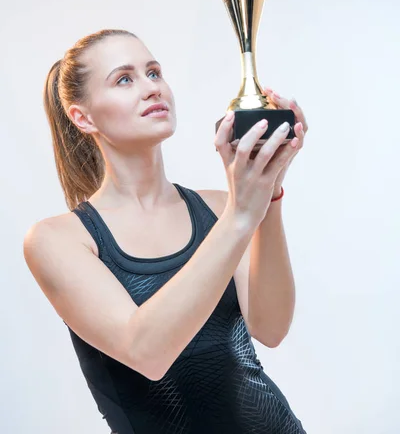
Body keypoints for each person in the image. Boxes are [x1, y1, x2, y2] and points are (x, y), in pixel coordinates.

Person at [23, 28, 307, 433]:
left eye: (154, 73)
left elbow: (271, 327)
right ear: (81, 117)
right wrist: (241, 216)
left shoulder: (219, 207)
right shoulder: (58, 239)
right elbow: (148, 352)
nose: (151, 88)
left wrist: (269, 193)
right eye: (125, 79)